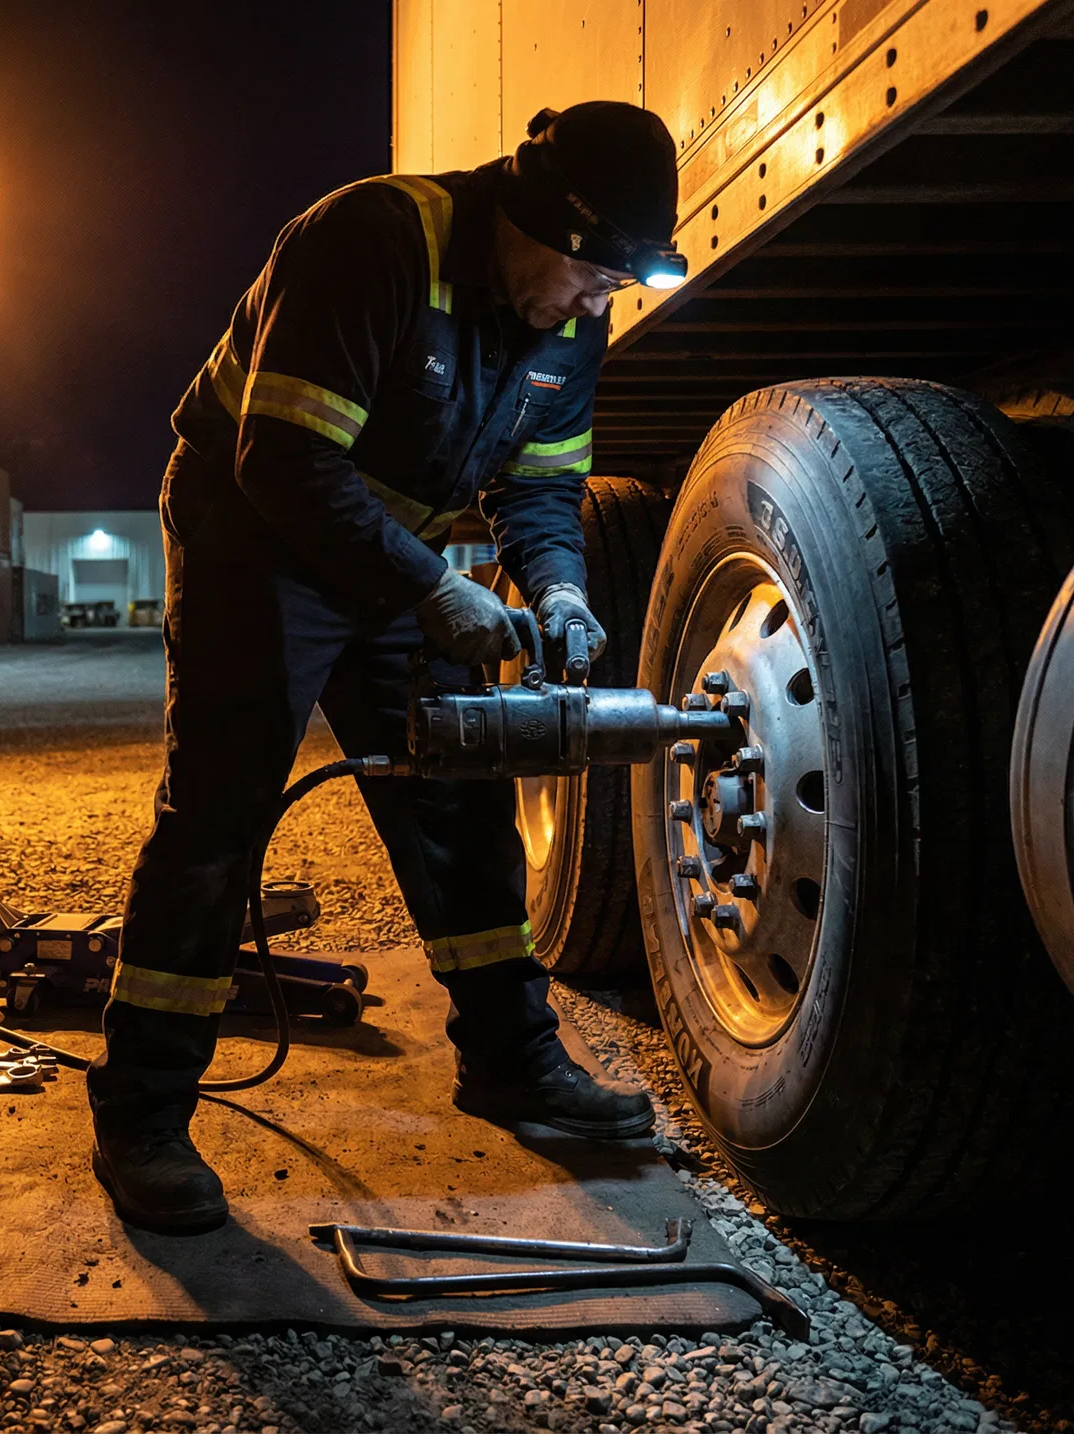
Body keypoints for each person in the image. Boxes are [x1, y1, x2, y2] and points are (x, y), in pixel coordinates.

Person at [88, 102, 688, 1233]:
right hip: (252, 530)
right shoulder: (377, 238)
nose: (596, 304)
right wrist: (433, 588)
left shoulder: (567, 320)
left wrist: (555, 586)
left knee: (461, 787)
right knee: (222, 809)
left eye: (614, 286)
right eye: (593, 275)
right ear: (534, 219)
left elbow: (543, 491)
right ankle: (143, 1112)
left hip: (390, 552)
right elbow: (283, 460)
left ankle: (510, 1059)